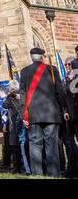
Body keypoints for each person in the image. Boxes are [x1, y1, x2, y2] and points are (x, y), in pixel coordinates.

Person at [19, 47, 69, 177]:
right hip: (51, 113)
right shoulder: (52, 70)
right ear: (42, 57)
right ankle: (54, 175)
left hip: (33, 114)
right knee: (51, 145)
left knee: (35, 145)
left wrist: (24, 114)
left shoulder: (24, 72)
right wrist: (62, 108)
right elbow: (60, 92)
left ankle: (37, 175)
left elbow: (23, 96)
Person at [62, 56, 78, 177]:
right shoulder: (64, 81)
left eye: (70, 65)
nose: (68, 67)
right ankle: (72, 169)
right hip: (70, 117)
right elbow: (64, 99)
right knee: (70, 143)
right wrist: (65, 111)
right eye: (66, 65)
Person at [2, 79, 22, 173]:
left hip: (14, 123)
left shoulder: (10, 97)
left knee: (15, 147)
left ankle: (17, 168)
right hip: (23, 122)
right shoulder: (22, 94)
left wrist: (8, 95)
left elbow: (4, 105)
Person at [0, 86, 11, 170]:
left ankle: (7, 163)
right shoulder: (8, 99)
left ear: (3, 92)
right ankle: (7, 162)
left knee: (7, 144)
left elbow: (5, 114)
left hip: (7, 124)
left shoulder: (5, 101)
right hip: (10, 124)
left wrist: (4, 125)